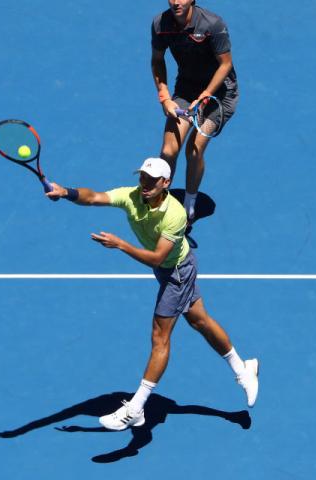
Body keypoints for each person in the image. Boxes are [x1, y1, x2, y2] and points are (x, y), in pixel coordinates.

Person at [46, 157, 259, 431]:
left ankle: (136, 408)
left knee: (160, 336)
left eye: (152, 180)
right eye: (142, 177)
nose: (144, 184)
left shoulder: (175, 214)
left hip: (176, 272)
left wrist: (121, 244)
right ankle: (244, 370)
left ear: (166, 183)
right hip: (170, 270)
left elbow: (158, 258)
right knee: (199, 321)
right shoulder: (131, 196)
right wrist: (67, 193)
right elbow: (94, 197)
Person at [151, 0, 239, 223]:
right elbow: (157, 60)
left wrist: (206, 94)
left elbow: (225, 64)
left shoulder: (212, 24)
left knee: (193, 150)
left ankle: (189, 205)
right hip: (186, 91)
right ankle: (161, 203)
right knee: (168, 150)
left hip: (220, 94)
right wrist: (165, 98)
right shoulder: (160, 24)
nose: (176, 2)